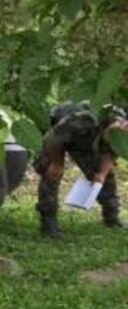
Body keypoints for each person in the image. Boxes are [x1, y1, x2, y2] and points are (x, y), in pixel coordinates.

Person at [34, 101, 128, 238]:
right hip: (58, 131)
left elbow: (110, 152)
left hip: (92, 138)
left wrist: (101, 173)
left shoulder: (122, 133)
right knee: (51, 172)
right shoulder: (82, 120)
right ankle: (48, 223)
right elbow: (52, 139)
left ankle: (112, 218)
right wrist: (57, 163)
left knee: (102, 174)